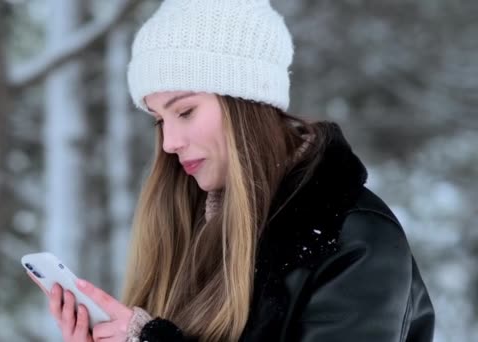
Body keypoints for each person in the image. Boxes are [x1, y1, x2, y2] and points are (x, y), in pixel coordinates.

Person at [28, 0, 436, 341]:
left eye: (185, 111)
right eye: (159, 120)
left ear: (246, 103)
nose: (169, 142)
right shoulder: (190, 228)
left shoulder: (356, 239)